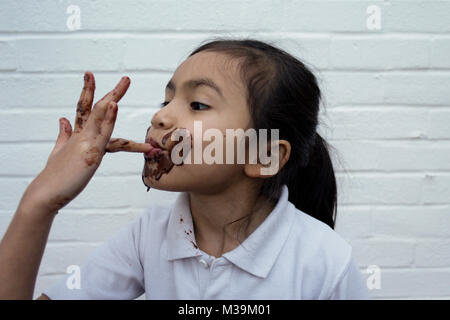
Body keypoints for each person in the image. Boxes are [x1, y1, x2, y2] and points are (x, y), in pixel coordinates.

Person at [0, 38, 369, 300]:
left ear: (263, 156)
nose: (160, 116)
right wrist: (40, 201)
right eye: (166, 99)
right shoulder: (148, 237)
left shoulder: (326, 262)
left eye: (197, 104)